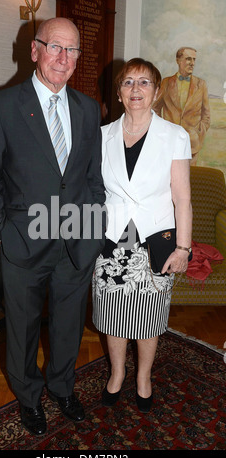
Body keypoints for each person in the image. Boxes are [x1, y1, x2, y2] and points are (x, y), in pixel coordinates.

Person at [0, 17, 106, 436]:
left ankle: (63, 387)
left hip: (76, 243)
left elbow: (91, 179)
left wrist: (93, 225)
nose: (64, 59)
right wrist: (0, 232)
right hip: (23, 245)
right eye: (55, 47)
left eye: (73, 51)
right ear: (35, 50)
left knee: (67, 326)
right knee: (23, 330)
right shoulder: (2, 105)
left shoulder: (88, 108)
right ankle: (29, 398)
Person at [92, 58, 192, 413]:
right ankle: (117, 374)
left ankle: (143, 378)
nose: (136, 89)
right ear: (118, 93)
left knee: (148, 319)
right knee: (112, 316)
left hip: (156, 241)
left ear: (156, 91)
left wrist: (184, 247)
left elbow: (182, 196)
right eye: (128, 82)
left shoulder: (174, 135)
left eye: (144, 83)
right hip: (111, 240)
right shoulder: (101, 135)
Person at [153, 47, 210, 165]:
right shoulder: (166, 82)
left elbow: (206, 115)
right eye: (188, 59)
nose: (192, 63)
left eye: (194, 59)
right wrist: (162, 129)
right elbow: (155, 108)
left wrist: (198, 134)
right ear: (178, 60)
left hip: (192, 144)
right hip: (168, 142)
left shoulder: (201, 84)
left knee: (191, 180)